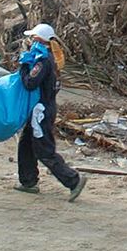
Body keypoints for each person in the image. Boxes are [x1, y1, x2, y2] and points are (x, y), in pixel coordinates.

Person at [15, 23, 86, 201]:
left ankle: (73, 180)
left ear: (39, 40)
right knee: (26, 145)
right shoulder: (51, 59)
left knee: (44, 150)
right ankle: (28, 181)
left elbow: (30, 83)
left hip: (41, 111)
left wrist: (24, 68)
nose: (30, 41)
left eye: (33, 38)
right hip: (43, 108)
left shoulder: (43, 60)